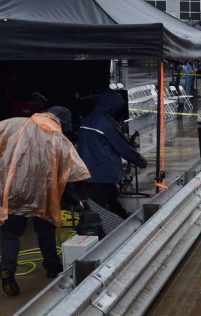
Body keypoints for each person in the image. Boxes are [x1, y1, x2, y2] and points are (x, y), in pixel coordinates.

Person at [0, 107, 90, 295]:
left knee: (11, 233)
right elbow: (64, 176)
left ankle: (7, 267)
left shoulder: (13, 124)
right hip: (43, 195)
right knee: (45, 230)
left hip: (12, 191)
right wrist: (75, 201)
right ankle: (52, 267)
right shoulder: (59, 140)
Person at [77, 90, 147, 219]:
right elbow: (122, 146)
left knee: (110, 194)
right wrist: (139, 161)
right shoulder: (106, 123)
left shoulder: (87, 119)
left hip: (88, 168)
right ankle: (93, 229)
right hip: (103, 169)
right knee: (98, 203)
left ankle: (121, 215)